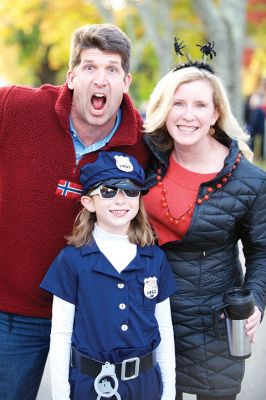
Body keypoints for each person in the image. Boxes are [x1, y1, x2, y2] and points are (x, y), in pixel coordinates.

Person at [0, 23, 150, 400]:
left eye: (112, 69)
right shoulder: (15, 107)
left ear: (126, 82)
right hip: (11, 313)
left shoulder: (144, 145)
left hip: (94, 318)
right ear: (71, 77)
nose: (100, 79)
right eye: (89, 67)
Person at [143, 55, 266, 400]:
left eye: (200, 105)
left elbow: (262, 250)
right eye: (178, 104)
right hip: (147, 315)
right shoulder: (144, 158)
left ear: (215, 115)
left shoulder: (249, 181)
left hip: (212, 325)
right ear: (164, 108)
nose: (187, 115)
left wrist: (256, 300)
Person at [40, 151, 176, 400]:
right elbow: (60, 334)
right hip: (88, 385)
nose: (120, 200)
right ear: (88, 202)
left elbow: (165, 330)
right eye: (108, 191)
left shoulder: (154, 259)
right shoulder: (71, 260)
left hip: (144, 385)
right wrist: (60, 395)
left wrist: (169, 392)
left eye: (131, 191)